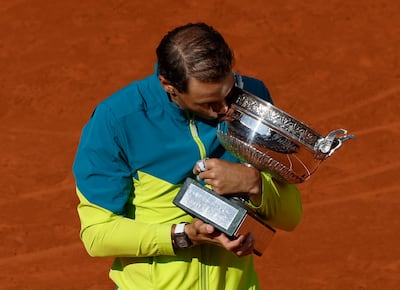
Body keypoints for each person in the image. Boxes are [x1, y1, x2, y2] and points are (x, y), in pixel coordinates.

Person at [73, 22, 302, 290]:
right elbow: (97, 234)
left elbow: (290, 216)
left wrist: (254, 183)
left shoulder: (252, 100)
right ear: (168, 85)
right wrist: (185, 234)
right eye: (208, 103)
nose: (225, 109)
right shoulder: (116, 121)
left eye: (228, 92)